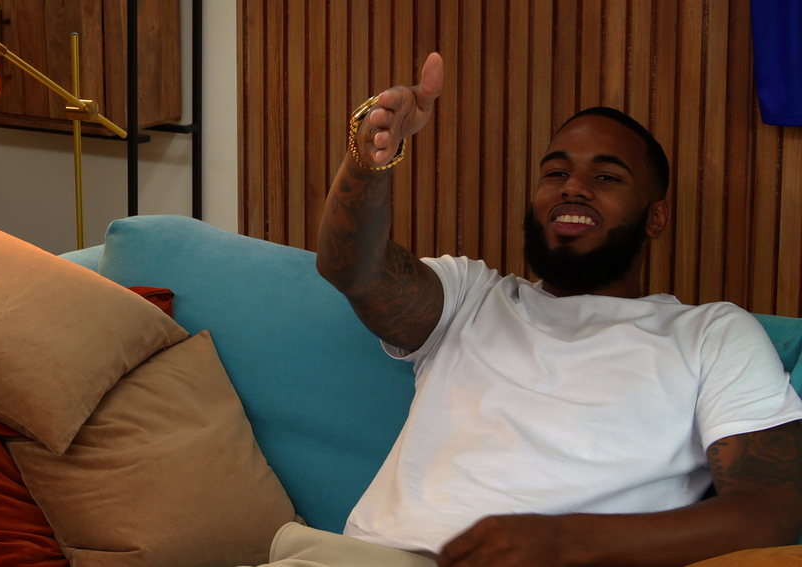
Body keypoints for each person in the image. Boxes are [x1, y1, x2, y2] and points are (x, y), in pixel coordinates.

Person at [316, 52, 802, 566]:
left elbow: (773, 510)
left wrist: (564, 542)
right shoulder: (470, 295)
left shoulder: (712, 335)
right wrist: (369, 160)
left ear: (655, 217)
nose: (572, 186)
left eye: (607, 177)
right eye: (556, 172)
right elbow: (353, 270)